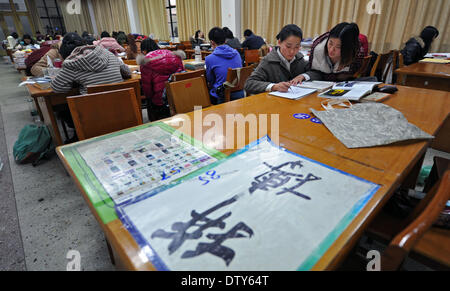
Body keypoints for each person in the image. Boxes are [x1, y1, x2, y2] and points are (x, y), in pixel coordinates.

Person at [245, 24, 320, 95]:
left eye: (297, 47)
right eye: (288, 46)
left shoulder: (299, 59)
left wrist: (303, 76)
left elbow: (316, 72)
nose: (292, 51)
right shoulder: (268, 61)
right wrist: (274, 86)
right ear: (279, 42)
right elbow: (249, 84)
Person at [51, 34, 131, 95]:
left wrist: (75, 82)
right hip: (122, 109)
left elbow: (57, 88)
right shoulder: (108, 53)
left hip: (93, 113)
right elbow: (127, 72)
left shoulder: (71, 64)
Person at [291, 22, 364, 84]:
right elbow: (315, 72)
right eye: (330, 43)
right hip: (320, 86)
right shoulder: (318, 48)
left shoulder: (357, 53)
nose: (331, 50)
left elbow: (351, 75)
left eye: (338, 47)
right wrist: (304, 76)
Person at [137, 38, 184, 121]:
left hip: (159, 101)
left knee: (149, 99)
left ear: (144, 51)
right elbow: (181, 74)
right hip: (177, 95)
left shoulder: (145, 62)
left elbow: (147, 89)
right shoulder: (174, 55)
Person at [205, 27, 243, 104]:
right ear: (225, 40)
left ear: (212, 42)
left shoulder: (209, 58)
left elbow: (210, 80)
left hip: (222, 96)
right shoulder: (236, 53)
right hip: (240, 93)